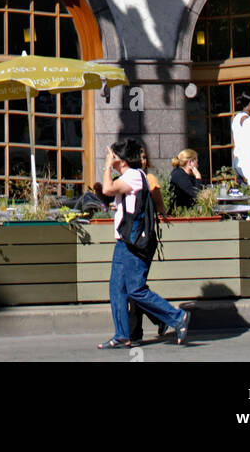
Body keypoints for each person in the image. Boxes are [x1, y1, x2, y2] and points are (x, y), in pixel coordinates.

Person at [98, 138, 190, 349]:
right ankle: (122, 335)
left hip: (135, 244)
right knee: (117, 289)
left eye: (113, 155)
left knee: (135, 289)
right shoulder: (129, 176)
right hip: (124, 241)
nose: (110, 158)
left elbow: (108, 189)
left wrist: (106, 166)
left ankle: (177, 317)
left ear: (122, 160)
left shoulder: (133, 176)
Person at [128, 144, 169, 345]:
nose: (143, 161)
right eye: (139, 157)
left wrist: (162, 212)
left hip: (142, 238)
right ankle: (160, 318)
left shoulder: (149, 179)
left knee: (134, 286)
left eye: (145, 157)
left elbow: (157, 199)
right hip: (130, 237)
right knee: (135, 285)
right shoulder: (127, 179)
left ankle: (135, 333)